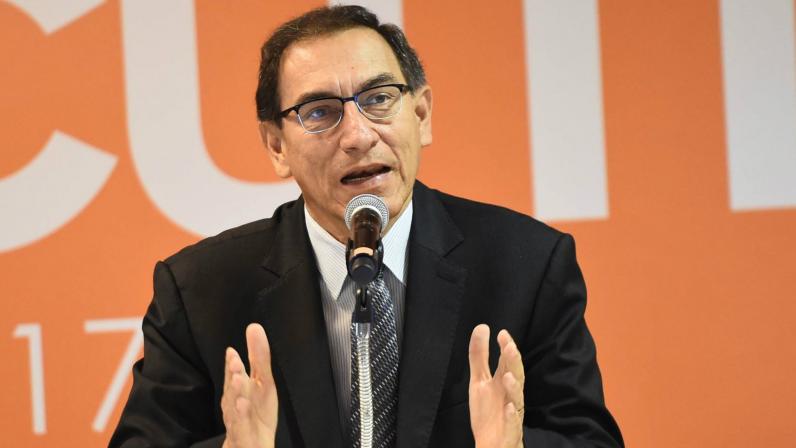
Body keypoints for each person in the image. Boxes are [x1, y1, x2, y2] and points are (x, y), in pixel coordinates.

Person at [110, 5, 623, 448]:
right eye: (319, 112)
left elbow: (588, 439)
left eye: (379, 98)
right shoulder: (201, 292)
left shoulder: (526, 266)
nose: (357, 135)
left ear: (420, 114)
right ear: (276, 146)